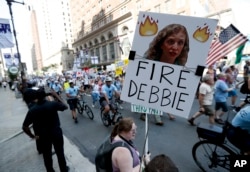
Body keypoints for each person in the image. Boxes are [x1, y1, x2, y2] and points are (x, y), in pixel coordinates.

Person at [140, 23, 189, 125]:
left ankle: (156, 115)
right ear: (161, 44)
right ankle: (151, 116)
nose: (175, 47)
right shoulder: (148, 60)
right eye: (170, 41)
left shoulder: (181, 66)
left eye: (180, 43)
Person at [22, 88, 69, 172]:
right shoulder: (53, 104)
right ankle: (63, 169)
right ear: (45, 96)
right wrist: (56, 95)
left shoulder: (32, 110)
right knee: (60, 153)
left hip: (43, 137)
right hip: (56, 133)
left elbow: (25, 127)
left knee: (47, 156)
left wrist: (32, 136)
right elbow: (65, 106)